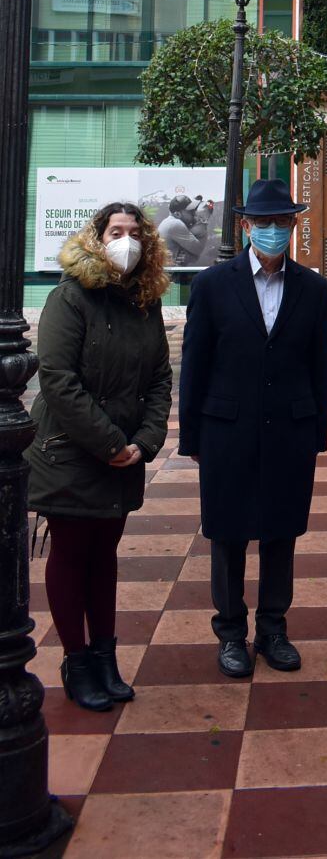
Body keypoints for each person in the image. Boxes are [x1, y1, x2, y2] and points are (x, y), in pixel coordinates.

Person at [179, 178, 327, 679]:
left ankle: (273, 629)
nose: (271, 231)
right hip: (227, 428)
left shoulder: (313, 287)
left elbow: (319, 365)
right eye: (262, 223)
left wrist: (317, 434)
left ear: (293, 226)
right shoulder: (212, 285)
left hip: (290, 427)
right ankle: (230, 633)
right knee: (226, 533)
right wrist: (192, 436)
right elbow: (195, 364)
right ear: (245, 226)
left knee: (281, 531)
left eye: (281, 222)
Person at [27, 203, 172, 710]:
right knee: (70, 553)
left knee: (104, 555)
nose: (125, 241)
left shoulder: (145, 303)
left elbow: (159, 379)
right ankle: (77, 659)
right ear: (97, 237)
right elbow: (58, 380)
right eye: (116, 231)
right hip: (72, 450)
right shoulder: (70, 297)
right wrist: (110, 442)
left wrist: (144, 442)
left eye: (134, 232)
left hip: (123, 455)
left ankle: (106, 657)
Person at [158, 195, 208, 268]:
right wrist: (202, 228)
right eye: (189, 211)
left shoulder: (169, 221)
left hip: (170, 270)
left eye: (193, 209)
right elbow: (198, 249)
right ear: (177, 214)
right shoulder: (175, 224)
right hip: (172, 273)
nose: (194, 213)